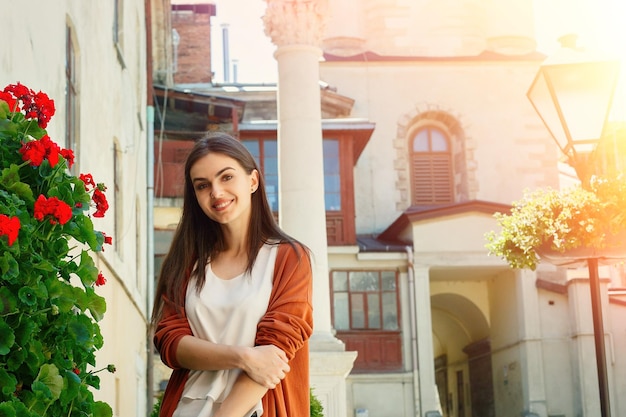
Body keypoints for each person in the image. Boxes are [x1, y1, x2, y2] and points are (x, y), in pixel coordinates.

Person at [151, 132, 313, 417]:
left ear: (252, 181)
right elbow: (170, 341)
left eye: (226, 177)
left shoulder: (289, 258)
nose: (215, 192)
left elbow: (276, 353)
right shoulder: (186, 261)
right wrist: (244, 356)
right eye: (203, 185)